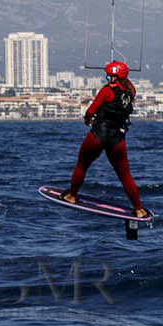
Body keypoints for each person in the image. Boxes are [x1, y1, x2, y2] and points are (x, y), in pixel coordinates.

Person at [62, 60, 151, 219]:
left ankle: (71, 196)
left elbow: (90, 111)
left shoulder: (107, 90)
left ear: (113, 76)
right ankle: (139, 209)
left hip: (98, 135)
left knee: (82, 164)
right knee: (125, 176)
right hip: (117, 139)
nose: (107, 78)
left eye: (109, 75)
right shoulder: (131, 92)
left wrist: (87, 120)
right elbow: (126, 84)